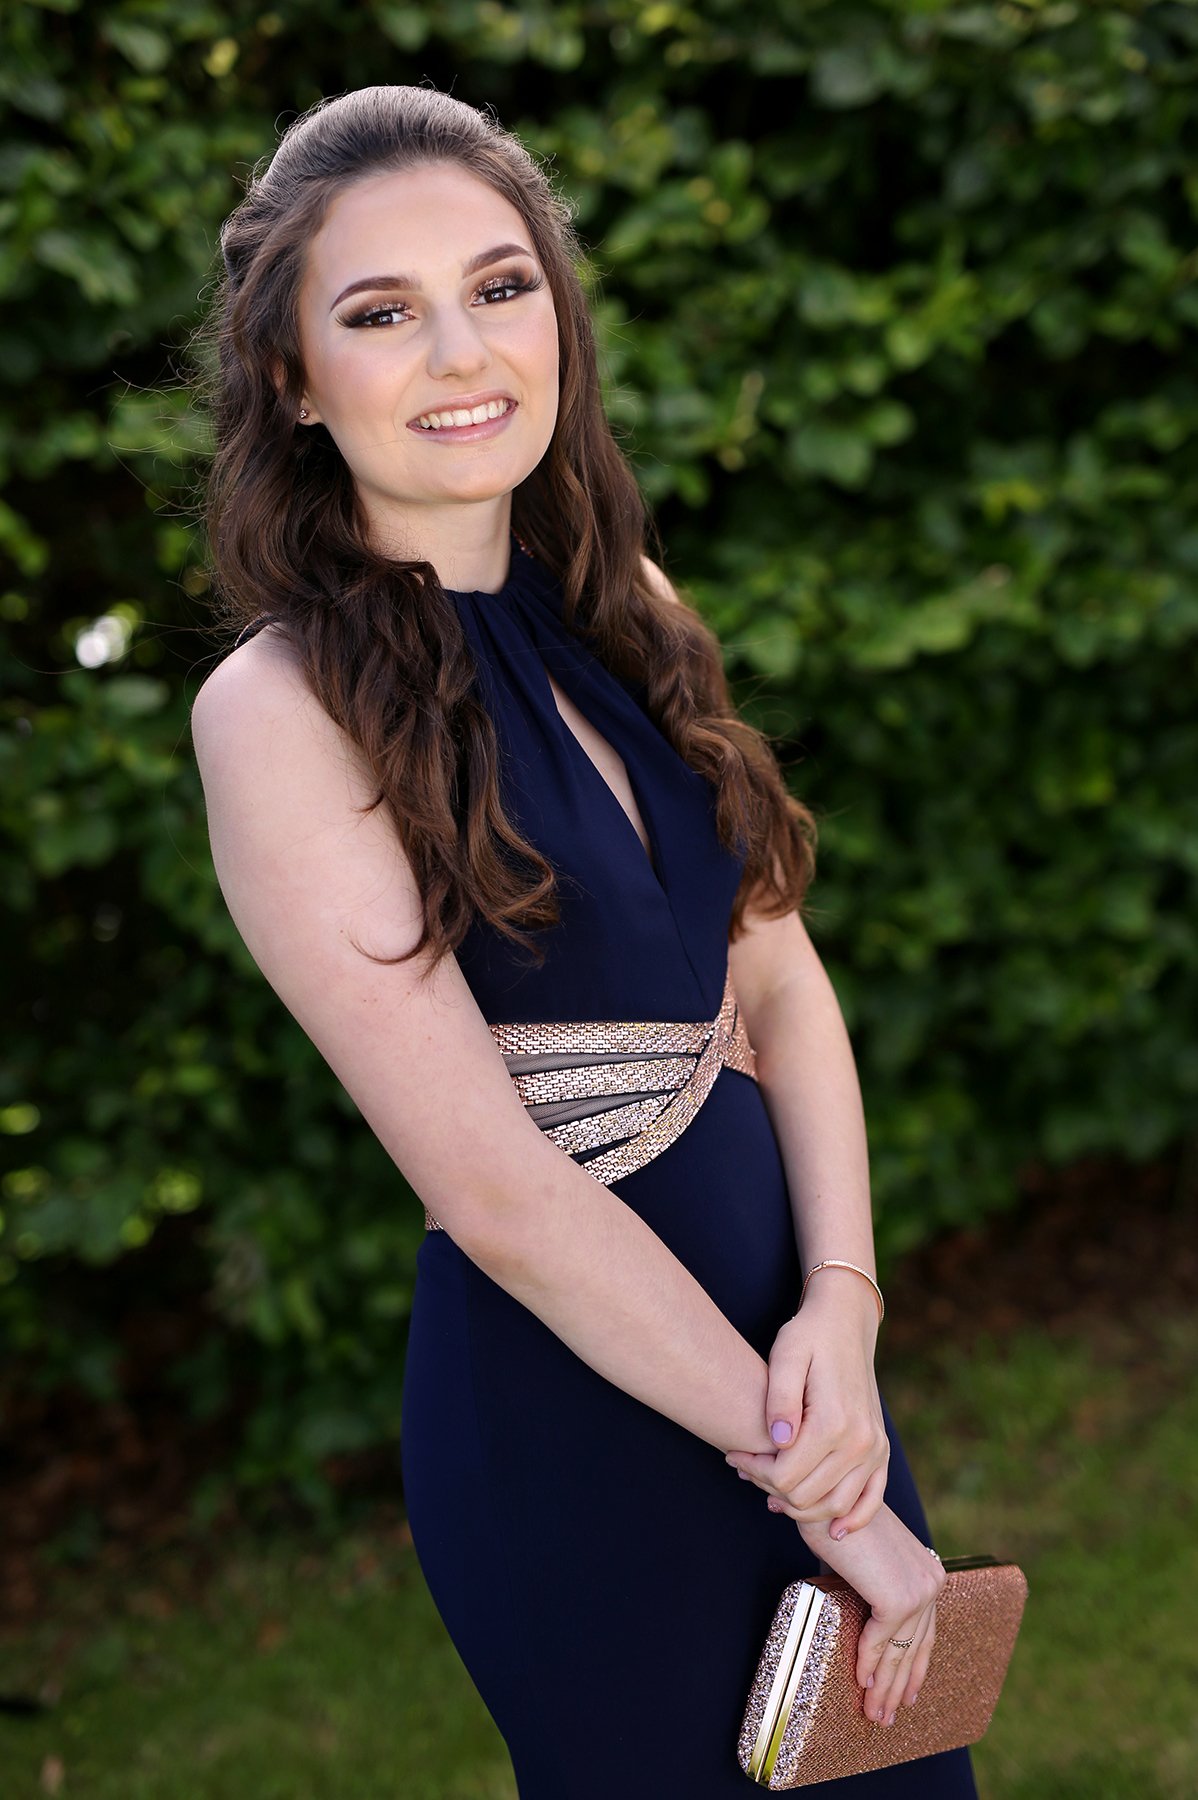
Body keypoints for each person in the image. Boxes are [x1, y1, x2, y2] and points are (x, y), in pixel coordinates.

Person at [191, 85, 976, 1800]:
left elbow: (773, 975)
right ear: (288, 377)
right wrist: (823, 1481)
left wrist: (842, 1317)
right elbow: (498, 1192)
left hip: (794, 1370)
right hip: (581, 1418)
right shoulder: (276, 709)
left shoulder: (624, 593)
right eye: (380, 313)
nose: (461, 351)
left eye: (501, 284)